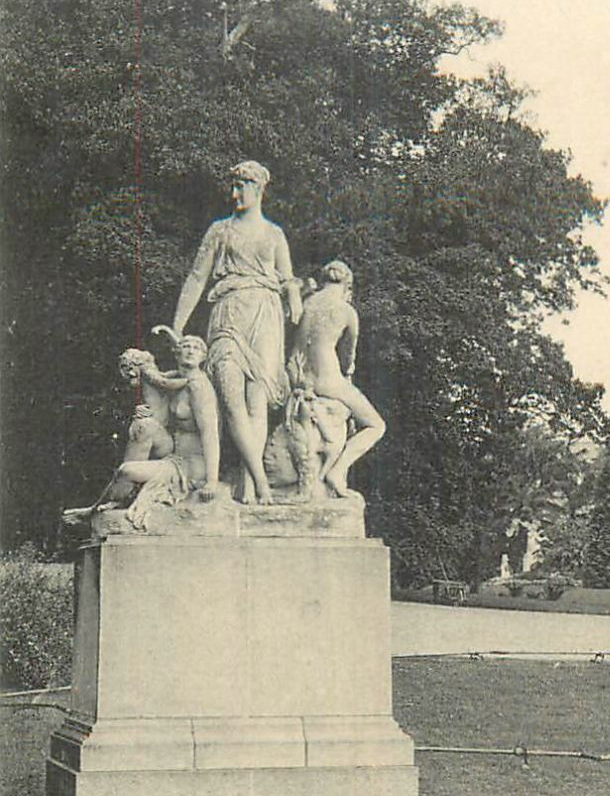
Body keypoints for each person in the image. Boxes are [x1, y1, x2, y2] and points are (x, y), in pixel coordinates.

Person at [170, 160, 300, 504]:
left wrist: (295, 296)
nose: (234, 194)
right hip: (228, 313)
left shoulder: (275, 234)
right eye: (233, 186)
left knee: (258, 402)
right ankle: (262, 483)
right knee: (231, 401)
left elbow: (287, 278)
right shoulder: (219, 230)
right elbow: (197, 277)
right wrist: (178, 324)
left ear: (258, 189)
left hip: (266, 314)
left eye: (241, 186)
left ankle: (248, 483)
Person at [66, 333, 221, 530]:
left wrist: (212, 481)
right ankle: (115, 499)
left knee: (126, 470)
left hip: (192, 465)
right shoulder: (175, 379)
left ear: (203, 357)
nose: (190, 350)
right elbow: (162, 416)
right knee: (144, 425)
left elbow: (211, 435)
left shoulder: (200, 387)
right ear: (176, 352)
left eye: (196, 347)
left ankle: (95, 510)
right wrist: (146, 413)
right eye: (185, 346)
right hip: (173, 455)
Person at [286, 259, 385, 497]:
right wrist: (347, 372)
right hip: (327, 380)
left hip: (298, 376)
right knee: (376, 425)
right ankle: (338, 471)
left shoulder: (307, 303)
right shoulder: (346, 311)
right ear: (347, 287)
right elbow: (348, 357)